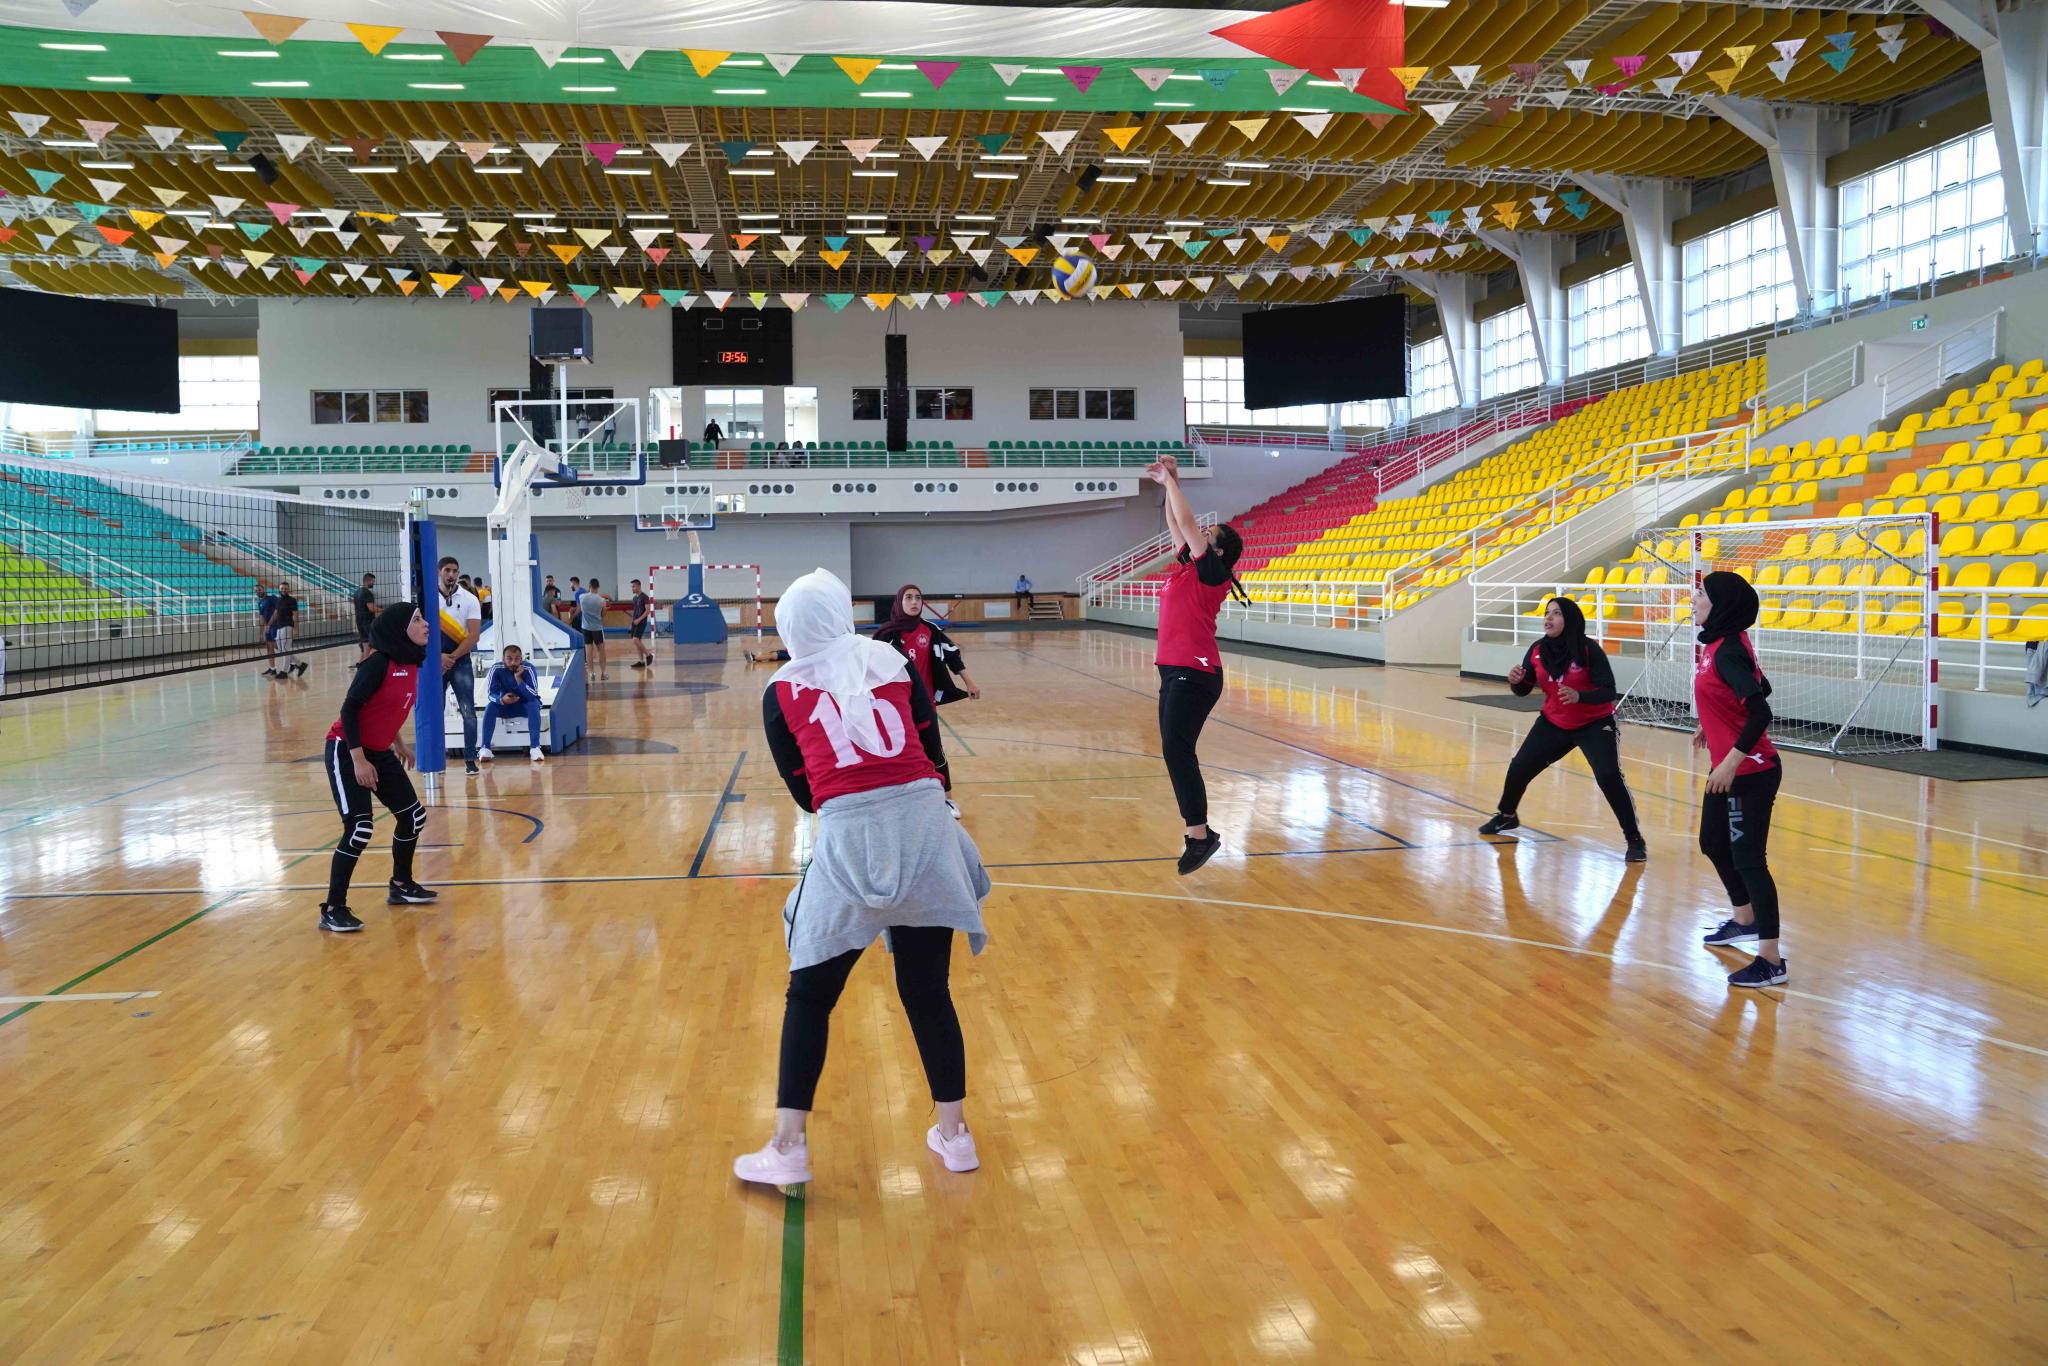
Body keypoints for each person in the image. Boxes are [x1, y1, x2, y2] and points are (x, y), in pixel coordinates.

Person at [734, 568, 992, 1188]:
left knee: (811, 995)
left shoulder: (779, 688)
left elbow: (803, 792)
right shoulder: (890, 658)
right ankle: (955, 1137)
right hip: (927, 829)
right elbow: (932, 742)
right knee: (928, 991)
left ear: (790, 626)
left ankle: (788, 1145)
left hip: (850, 840)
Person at [1477, 597, 1646, 861]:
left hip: (1594, 722)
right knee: (1520, 766)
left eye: (1556, 613)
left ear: (1570, 619)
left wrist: (1581, 697)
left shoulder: (1589, 650)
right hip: (1554, 721)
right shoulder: (1537, 650)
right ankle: (1507, 816)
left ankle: (1634, 839)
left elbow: (1609, 691)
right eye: (1546, 613)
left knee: (1608, 775)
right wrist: (1517, 682)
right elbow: (1524, 689)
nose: (1548, 617)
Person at [1146, 453, 1245, 875]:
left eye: (1209, 533)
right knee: (1173, 749)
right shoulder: (1188, 568)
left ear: (1218, 550)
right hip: (1174, 670)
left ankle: (1200, 835)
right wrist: (1173, 480)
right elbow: (1177, 524)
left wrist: (1172, 484)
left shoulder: (1213, 575)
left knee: (1176, 748)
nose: (1200, 533)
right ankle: (1199, 833)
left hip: (1197, 671)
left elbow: (1187, 523)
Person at [318, 602, 438, 933]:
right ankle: (333, 908)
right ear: (400, 629)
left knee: (414, 816)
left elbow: (384, 707)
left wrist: (398, 743)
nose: (426, 624)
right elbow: (350, 711)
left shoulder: (411, 662)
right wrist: (359, 760)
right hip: (347, 749)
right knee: (360, 828)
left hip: (379, 750)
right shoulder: (377, 664)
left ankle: (401, 885)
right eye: (418, 620)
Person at [1692, 571, 1787, 989]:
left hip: (1751, 771)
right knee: (1712, 843)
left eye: (1701, 594)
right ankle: (1744, 918)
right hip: (1729, 765)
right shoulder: (1721, 644)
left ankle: (1770, 960)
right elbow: (1758, 685)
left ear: (1721, 605)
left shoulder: (1728, 650)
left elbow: (1761, 711)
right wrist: (1712, 724)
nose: (1694, 599)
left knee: (1749, 859)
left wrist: (1731, 759)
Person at [874, 585, 980, 704]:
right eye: (908, 598)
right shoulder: (886, 633)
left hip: (927, 701)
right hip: (898, 701)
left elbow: (953, 656)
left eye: (918, 598)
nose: (914, 602)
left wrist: (969, 683)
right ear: (899, 602)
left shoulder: (931, 630)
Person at [436, 556, 483, 777]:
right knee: (433, 711)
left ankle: (470, 759)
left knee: (468, 712)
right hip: (434, 661)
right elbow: (418, 633)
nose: (451, 574)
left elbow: (474, 636)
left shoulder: (469, 598)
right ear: (439, 572)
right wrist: (438, 657)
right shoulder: (426, 598)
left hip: (460, 661)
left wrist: (451, 658)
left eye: (455, 570)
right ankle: (436, 757)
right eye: (447, 570)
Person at [478, 643, 546, 764]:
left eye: (517, 659)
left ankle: (535, 747)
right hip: (505, 705)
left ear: (521, 659)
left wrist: (519, 679)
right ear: (503, 659)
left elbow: (533, 694)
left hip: (524, 706)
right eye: (509, 659)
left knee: (534, 704)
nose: (513, 662)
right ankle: (485, 748)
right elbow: (490, 694)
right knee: (490, 707)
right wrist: (502, 700)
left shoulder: (529, 668)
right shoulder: (496, 669)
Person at [578, 577, 609, 681]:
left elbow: (582, 609)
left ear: (589, 586)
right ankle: (604, 673)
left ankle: (591, 673)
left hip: (586, 628)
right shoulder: (602, 600)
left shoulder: (582, 597)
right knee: (601, 651)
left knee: (588, 650)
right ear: (598, 587)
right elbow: (603, 615)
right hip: (597, 628)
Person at [273, 583, 305, 678]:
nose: (283, 590)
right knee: (281, 649)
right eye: (282, 588)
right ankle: (300, 665)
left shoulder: (292, 600)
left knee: (286, 650)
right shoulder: (278, 600)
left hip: (287, 626)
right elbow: (275, 613)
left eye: (285, 588)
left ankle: (284, 672)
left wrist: (296, 628)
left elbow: (295, 615)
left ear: (288, 589)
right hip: (279, 627)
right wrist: (269, 624)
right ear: (279, 589)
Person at [628, 578, 656, 670]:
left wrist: (639, 620)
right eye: (632, 587)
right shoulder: (635, 598)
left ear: (638, 586)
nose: (632, 588)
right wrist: (632, 622)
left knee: (635, 640)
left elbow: (647, 611)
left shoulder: (645, 597)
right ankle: (641, 661)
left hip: (641, 622)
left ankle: (648, 655)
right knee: (637, 642)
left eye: (633, 586)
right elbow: (635, 611)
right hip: (635, 622)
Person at [352, 572, 380, 660]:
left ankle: (361, 667)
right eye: (373, 581)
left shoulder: (356, 593)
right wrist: (384, 610)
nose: (374, 583)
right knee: (376, 645)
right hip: (368, 622)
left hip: (359, 622)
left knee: (365, 648)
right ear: (367, 581)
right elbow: (371, 608)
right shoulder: (368, 593)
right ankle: (372, 666)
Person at [256, 583, 281, 677]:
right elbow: (261, 616)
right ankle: (272, 669)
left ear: (264, 589)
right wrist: (263, 631)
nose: (258, 592)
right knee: (269, 647)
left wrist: (269, 624)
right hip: (268, 627)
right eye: (256, 591)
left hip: (275, 625)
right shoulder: (260, 603)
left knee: (277, 645)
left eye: (259, 589)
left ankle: (294, 662)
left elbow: (277, 611)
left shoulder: (272, 598)